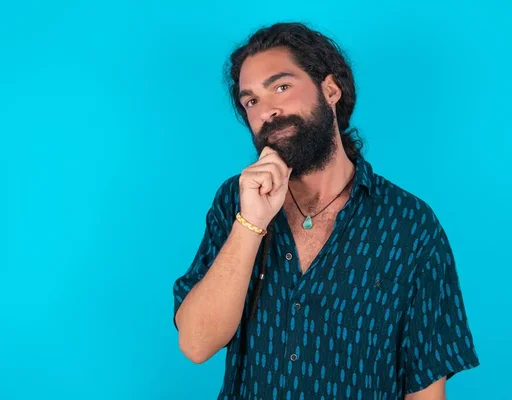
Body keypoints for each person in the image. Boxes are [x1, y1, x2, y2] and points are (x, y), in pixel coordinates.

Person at [172, 22, 480, 399]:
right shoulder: (235, 202)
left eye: (281, 87)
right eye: (250, 100)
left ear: (330, 90)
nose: (267, 111)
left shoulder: (411, 226)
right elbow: (196, 343)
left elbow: (425, 387)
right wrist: (251, 223)